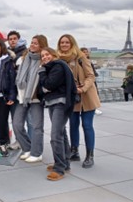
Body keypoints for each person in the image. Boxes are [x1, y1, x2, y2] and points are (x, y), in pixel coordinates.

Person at [57, 34, 101, 168]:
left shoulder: (81, 57)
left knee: (87, 125)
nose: (64, 45)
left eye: (67, 42)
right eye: (62, 42)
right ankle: (74, 151)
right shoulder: (59, 59)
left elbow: (90, 76)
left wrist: (83, 88)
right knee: (73, 124)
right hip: (72, 97)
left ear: (72, 43)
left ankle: (90, 155)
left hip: (86, 96)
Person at [39, 47, 77, 181]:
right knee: (61, 133)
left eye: (47, 54)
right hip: (53, 103)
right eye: (42, 56)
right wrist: (45, 87)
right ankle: (64, 163)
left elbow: (48, 85)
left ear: (53, 55)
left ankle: (59, 169)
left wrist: (42, 72)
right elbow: (44, 87)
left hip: (61, 103)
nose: (44, 57)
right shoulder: (52, 68)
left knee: (55, 135)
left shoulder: (58, 66)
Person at [13, 35, 48, 163]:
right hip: (22, 97)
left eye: (36, 43)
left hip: (36, 98)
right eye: (32, 43)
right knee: (17, 124)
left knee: (37, 126)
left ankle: (37, 153)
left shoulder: (43, 60)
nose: (32, 45)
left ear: (42, 46)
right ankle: (27, 148)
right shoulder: (24, 58)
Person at [81, 47, 102, 115]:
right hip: (86, 80)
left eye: (86, 52)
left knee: (93, 94)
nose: (86, 53)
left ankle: (93, 108)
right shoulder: (83, 61)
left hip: (91, 79)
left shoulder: (88, 61)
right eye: (84, 52)